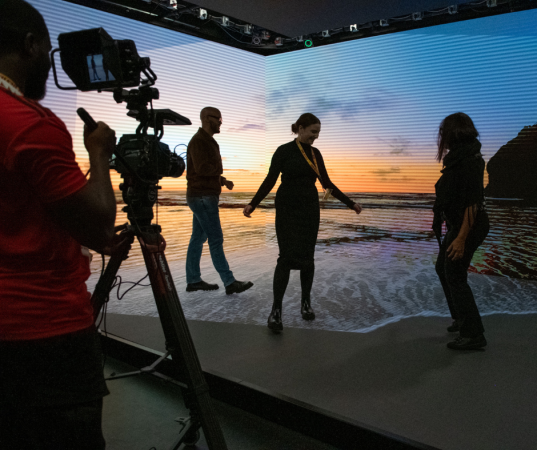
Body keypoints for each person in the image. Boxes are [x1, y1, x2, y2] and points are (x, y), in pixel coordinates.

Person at [0, 1, 118, 448]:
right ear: (31, 46)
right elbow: (98, 223)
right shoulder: (29, 124)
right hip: (44, 330)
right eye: (49, 52)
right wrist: (100, 155)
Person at [243, 113, 362, 332]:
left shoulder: (316, 154)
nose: (315, 137)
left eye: (318, 133)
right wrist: (253, 203)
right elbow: (270, 179)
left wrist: (350, 203)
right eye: (312, 132)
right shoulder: (284, 151)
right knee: (286, 257)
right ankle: (276, 311)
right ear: (300, 128)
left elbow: (327, 183)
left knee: (307, 258)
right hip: (287, 208)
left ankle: (305, 303)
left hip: (309, 209)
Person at [432, 112, 490, 350]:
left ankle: (473, 334)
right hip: (459, 224)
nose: (441, 136)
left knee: (455, 274)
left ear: (453, 132)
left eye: (443, 131)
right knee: (442, 269)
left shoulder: (470, 159)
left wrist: (461, 238)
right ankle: (461, 318)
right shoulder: (459, 157)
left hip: (470, 226)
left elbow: (473, 203)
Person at [185, 106, 253, 295]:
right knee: (215, 239)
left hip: (202, 196)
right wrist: (219, 172)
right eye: (219, 118)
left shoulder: (209, 141)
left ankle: (193, 280)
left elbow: (205, 170)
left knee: (198, 238)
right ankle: (229, 282)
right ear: (207, 119)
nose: (221, 122)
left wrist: (222, 180)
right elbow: (202, 169)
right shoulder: (199, 141)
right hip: (202, 197)